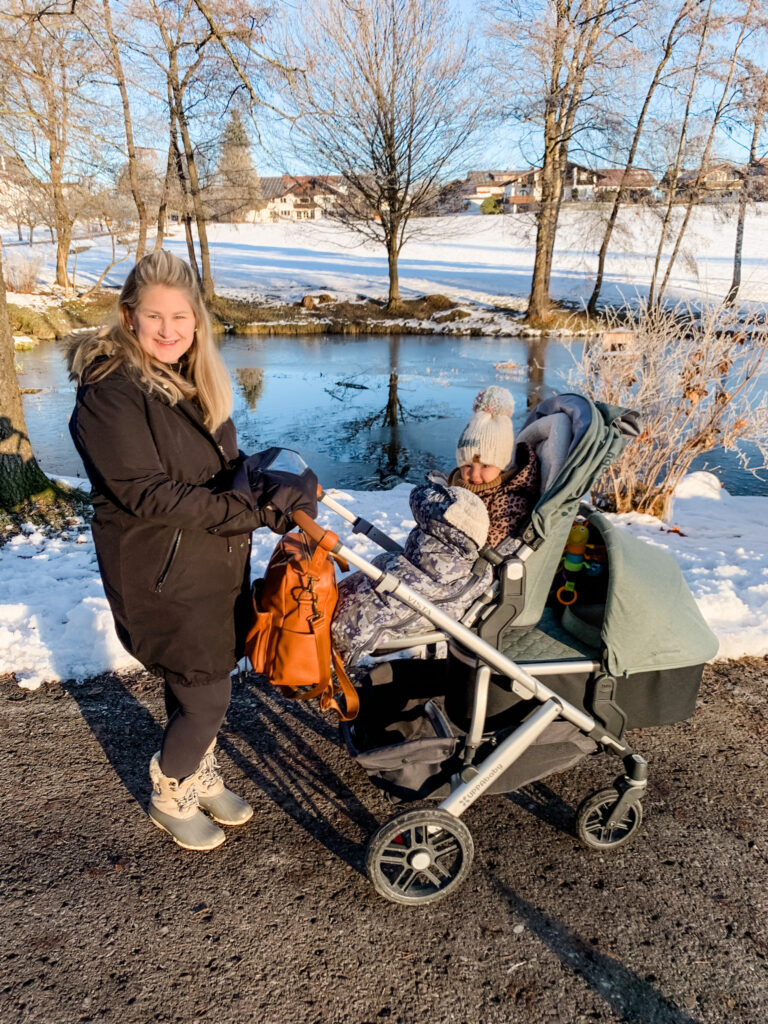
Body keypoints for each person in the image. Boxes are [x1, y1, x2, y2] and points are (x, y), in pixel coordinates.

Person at [68, 250, 317, 852]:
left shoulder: (187, 378)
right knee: (207, 694)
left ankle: (197, 771)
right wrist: (249, 511)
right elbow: (144, 493)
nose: (168, 329)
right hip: (161, 567)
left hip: (207, 558)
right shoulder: (111, 393)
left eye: (180, 316)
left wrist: (269, 475)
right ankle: (171, 789)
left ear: (197, 321)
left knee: (199, 679)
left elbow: (220, 468)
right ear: (129, 318)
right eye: (153, 316)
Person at [448, 386, 539, 549]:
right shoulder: (455, 486)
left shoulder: (507, 501)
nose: (475, 475)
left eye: (485, 466)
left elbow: (495, 545)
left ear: (504, 465)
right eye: (467, 465)